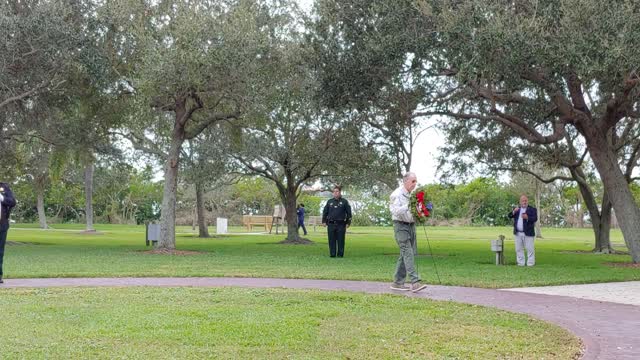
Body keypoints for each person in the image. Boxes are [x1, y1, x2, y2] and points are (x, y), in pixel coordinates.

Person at [389, 172, 427, 292]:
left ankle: (397, 282)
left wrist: (421, 213)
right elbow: (395, 212)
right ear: (405, 181)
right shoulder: (396, 194)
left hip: (411, 226)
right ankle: (415, 282)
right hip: (400, 226)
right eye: (413, 181)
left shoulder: (412, 194)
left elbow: (415, 210)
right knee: (408, 253)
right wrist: (409, 205)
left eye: (416, 181)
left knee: (405, 254)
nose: (415, 184)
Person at [322, 185, 352, 257]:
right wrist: (324, 221)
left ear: (340, 192)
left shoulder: (344, 202)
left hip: (341, 224)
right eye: (334, 191)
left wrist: (348, 222)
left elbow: (349, 213)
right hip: (331, 224)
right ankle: (332, 254)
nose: (335, 193)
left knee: (341, 240)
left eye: (337, 191)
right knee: (331, 240)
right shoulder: (329, 201)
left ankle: (340, 254)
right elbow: (325, 212)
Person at [508, 194, 538, 266]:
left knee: (530, 249)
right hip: (518, 233)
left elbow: (535, 219)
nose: (524, 202)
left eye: (525, 201)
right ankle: (520, 263)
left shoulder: (532, 209)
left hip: (528, 233)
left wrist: (527, 217)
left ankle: (530, 263)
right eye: (523, 201)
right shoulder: (517, 210)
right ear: (520, 202)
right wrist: (513, 212)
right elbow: (509, 216)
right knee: (518, 249)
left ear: (527, 201)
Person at [0, 182, 17, 284]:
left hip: (1, 226)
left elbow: (12, 202)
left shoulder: (4, 187)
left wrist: (2, 198)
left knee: (0, 252)